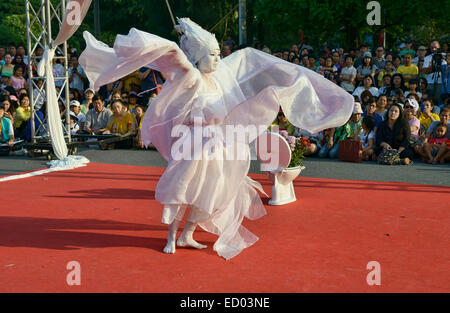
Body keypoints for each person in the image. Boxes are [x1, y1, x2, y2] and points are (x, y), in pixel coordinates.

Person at [79, 18, 354, 260]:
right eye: (211, 55)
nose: (217, 59)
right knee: (183, 190)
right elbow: (169, 56)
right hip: (194, 144)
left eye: (217, 53)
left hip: (218, 146)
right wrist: (183, 38)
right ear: (198, 58)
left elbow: (247, 62)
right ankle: (172, 238)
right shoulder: (192, 78)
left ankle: (188, 234)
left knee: (212, 192)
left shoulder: (220, 77)